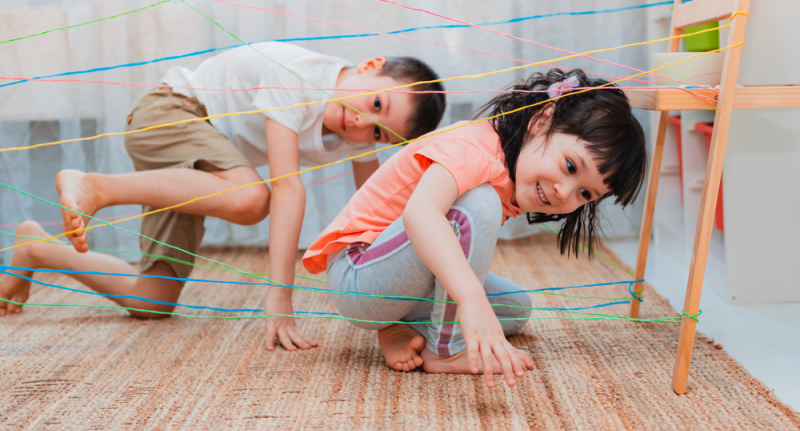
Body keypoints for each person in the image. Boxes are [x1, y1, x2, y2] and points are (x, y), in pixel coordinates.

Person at [0, 42, 446, 354]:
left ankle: (35, 246)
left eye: (378, 133)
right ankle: (95, 186)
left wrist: (395, 293)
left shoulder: (356, 137)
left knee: (151, 300)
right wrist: (279, 295)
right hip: (170, 112)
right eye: (376, 105)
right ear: (370, 65)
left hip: (197, 172)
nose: (361, 125)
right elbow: (287, 187)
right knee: (251, 199)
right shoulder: (299, 77)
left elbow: (372, 207)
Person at [301, 69, 647, 388]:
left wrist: (476, 302)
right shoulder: (476, 147)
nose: (564, 193)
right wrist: (470, 300)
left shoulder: (512, 165)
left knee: (515, 308)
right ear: (542, 121)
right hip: (359, 277)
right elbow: (420, 213)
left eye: (585, 193)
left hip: (392, 278)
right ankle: (446, 348)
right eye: (570, 166)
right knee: (479, 205)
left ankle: (401, 325)